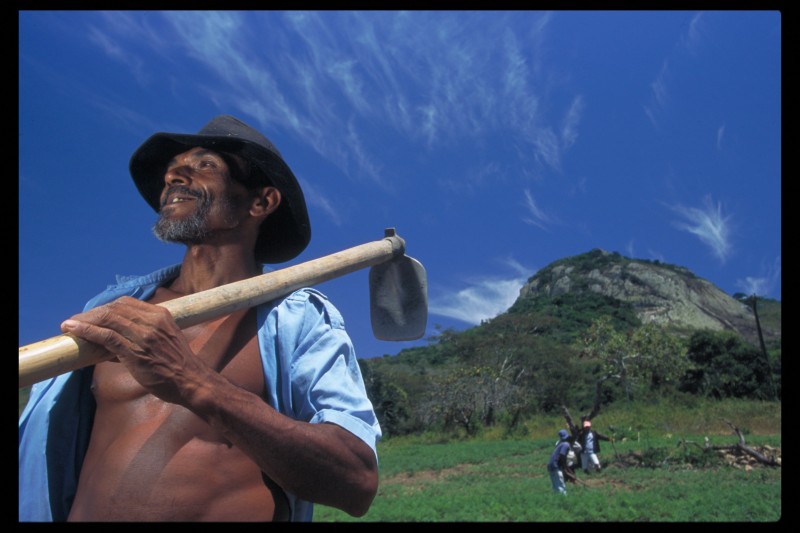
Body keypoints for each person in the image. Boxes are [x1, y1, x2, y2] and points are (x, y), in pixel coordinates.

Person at [18, 115, 382, 522]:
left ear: (261, 202)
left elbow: (356, 481)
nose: (173, 176)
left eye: (204, 165)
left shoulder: (299, 319)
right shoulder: (111, 311)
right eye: (173, 170)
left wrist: (191, 381)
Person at [546, 429, 573, 495]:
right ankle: (563, 498)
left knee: (555, 486)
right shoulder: (566, 444)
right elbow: (562, 455)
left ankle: (557, 497)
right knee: (561, 485)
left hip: (550, 465)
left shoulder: (559, 444)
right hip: (555, 466)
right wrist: (565, 467)